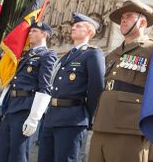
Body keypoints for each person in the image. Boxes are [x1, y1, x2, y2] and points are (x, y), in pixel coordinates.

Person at [88, 0, 153, 162]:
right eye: (122, 17)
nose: (123, 19)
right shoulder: (112, 54)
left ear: (142, 22)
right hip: (102, 124)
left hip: (129, 127)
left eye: (129, 16)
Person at [38, 13, 105, 162]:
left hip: (73, 118)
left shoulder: (92, 54)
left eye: (78, 26)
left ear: (89, 31)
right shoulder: (67, 56)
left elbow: (97, 89)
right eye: (73, 26)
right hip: (52, 117)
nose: (73, 28)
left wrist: (85, 114)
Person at [0, 22, 57, 162]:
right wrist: (2, 102)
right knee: (2, 153)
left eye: (34, 31)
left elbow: (45, 87)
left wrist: (34, 117)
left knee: (18, 155)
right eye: (30, 31)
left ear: (45, 34)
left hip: (25, 109)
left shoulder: (48, 55)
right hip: (11, 106)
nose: (30, 33)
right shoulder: (25, 55)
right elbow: (14, 81)